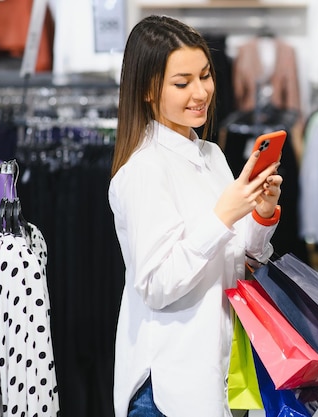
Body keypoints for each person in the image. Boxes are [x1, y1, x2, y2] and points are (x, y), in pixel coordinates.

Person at [108, 15, 283, 417]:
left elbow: (242, 263)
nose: (201, 91)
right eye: (182, 82)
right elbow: (155, 284)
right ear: (149, 90)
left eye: (205, 75)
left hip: (219, 373)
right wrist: (222, 216)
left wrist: (260, 215)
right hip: (168, 387)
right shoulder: (143, 170)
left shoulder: (211, 156)